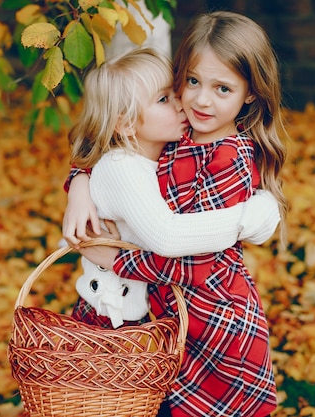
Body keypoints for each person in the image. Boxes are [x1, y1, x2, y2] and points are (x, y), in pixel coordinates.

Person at [64, 11, 287, 417]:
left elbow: (195, 262)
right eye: (191, 83)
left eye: (223, 88)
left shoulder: (227, 158)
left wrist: (118, 260)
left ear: (250, 94)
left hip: (215, 322)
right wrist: (80, 180)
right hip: (171, 317)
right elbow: (114, 145)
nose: (200, 100)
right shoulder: (181, 138)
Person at [63, 47, 280, 330]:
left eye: (175, 92)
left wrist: (79, 181)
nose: (181, 104)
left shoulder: (167, 148)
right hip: (112, 318)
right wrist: (249, 218)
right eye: (164, 99)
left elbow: (92, 153)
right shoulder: (121, 166)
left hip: (148, 314)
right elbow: (167, 236)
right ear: (127, 123)